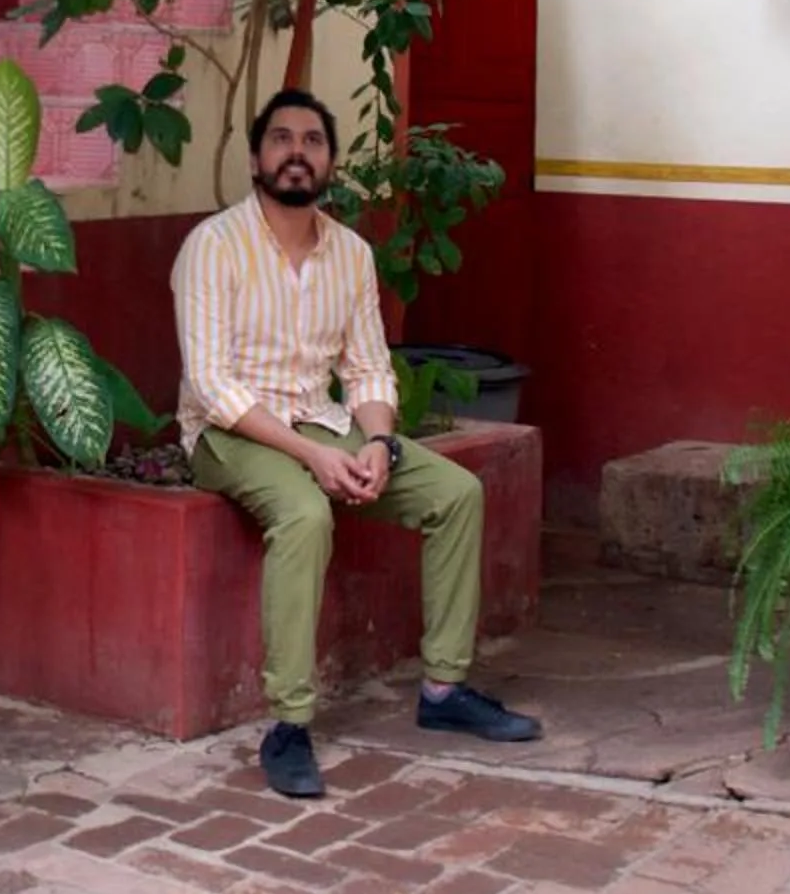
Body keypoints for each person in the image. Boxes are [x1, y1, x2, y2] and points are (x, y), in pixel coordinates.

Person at [172, 87, 542, 800]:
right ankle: (289, 724)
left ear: (331, 161)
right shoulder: (212, 247)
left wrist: (377, 442)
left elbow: (368, 366)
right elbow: (214, 385)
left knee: (456, 493)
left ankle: (443, 690)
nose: (296, 153)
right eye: (281, 139)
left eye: (313, 141)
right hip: (230, 433)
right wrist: (311, 456)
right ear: (257, 157)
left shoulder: (350, 254)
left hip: (326, 421)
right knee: (305, 515)